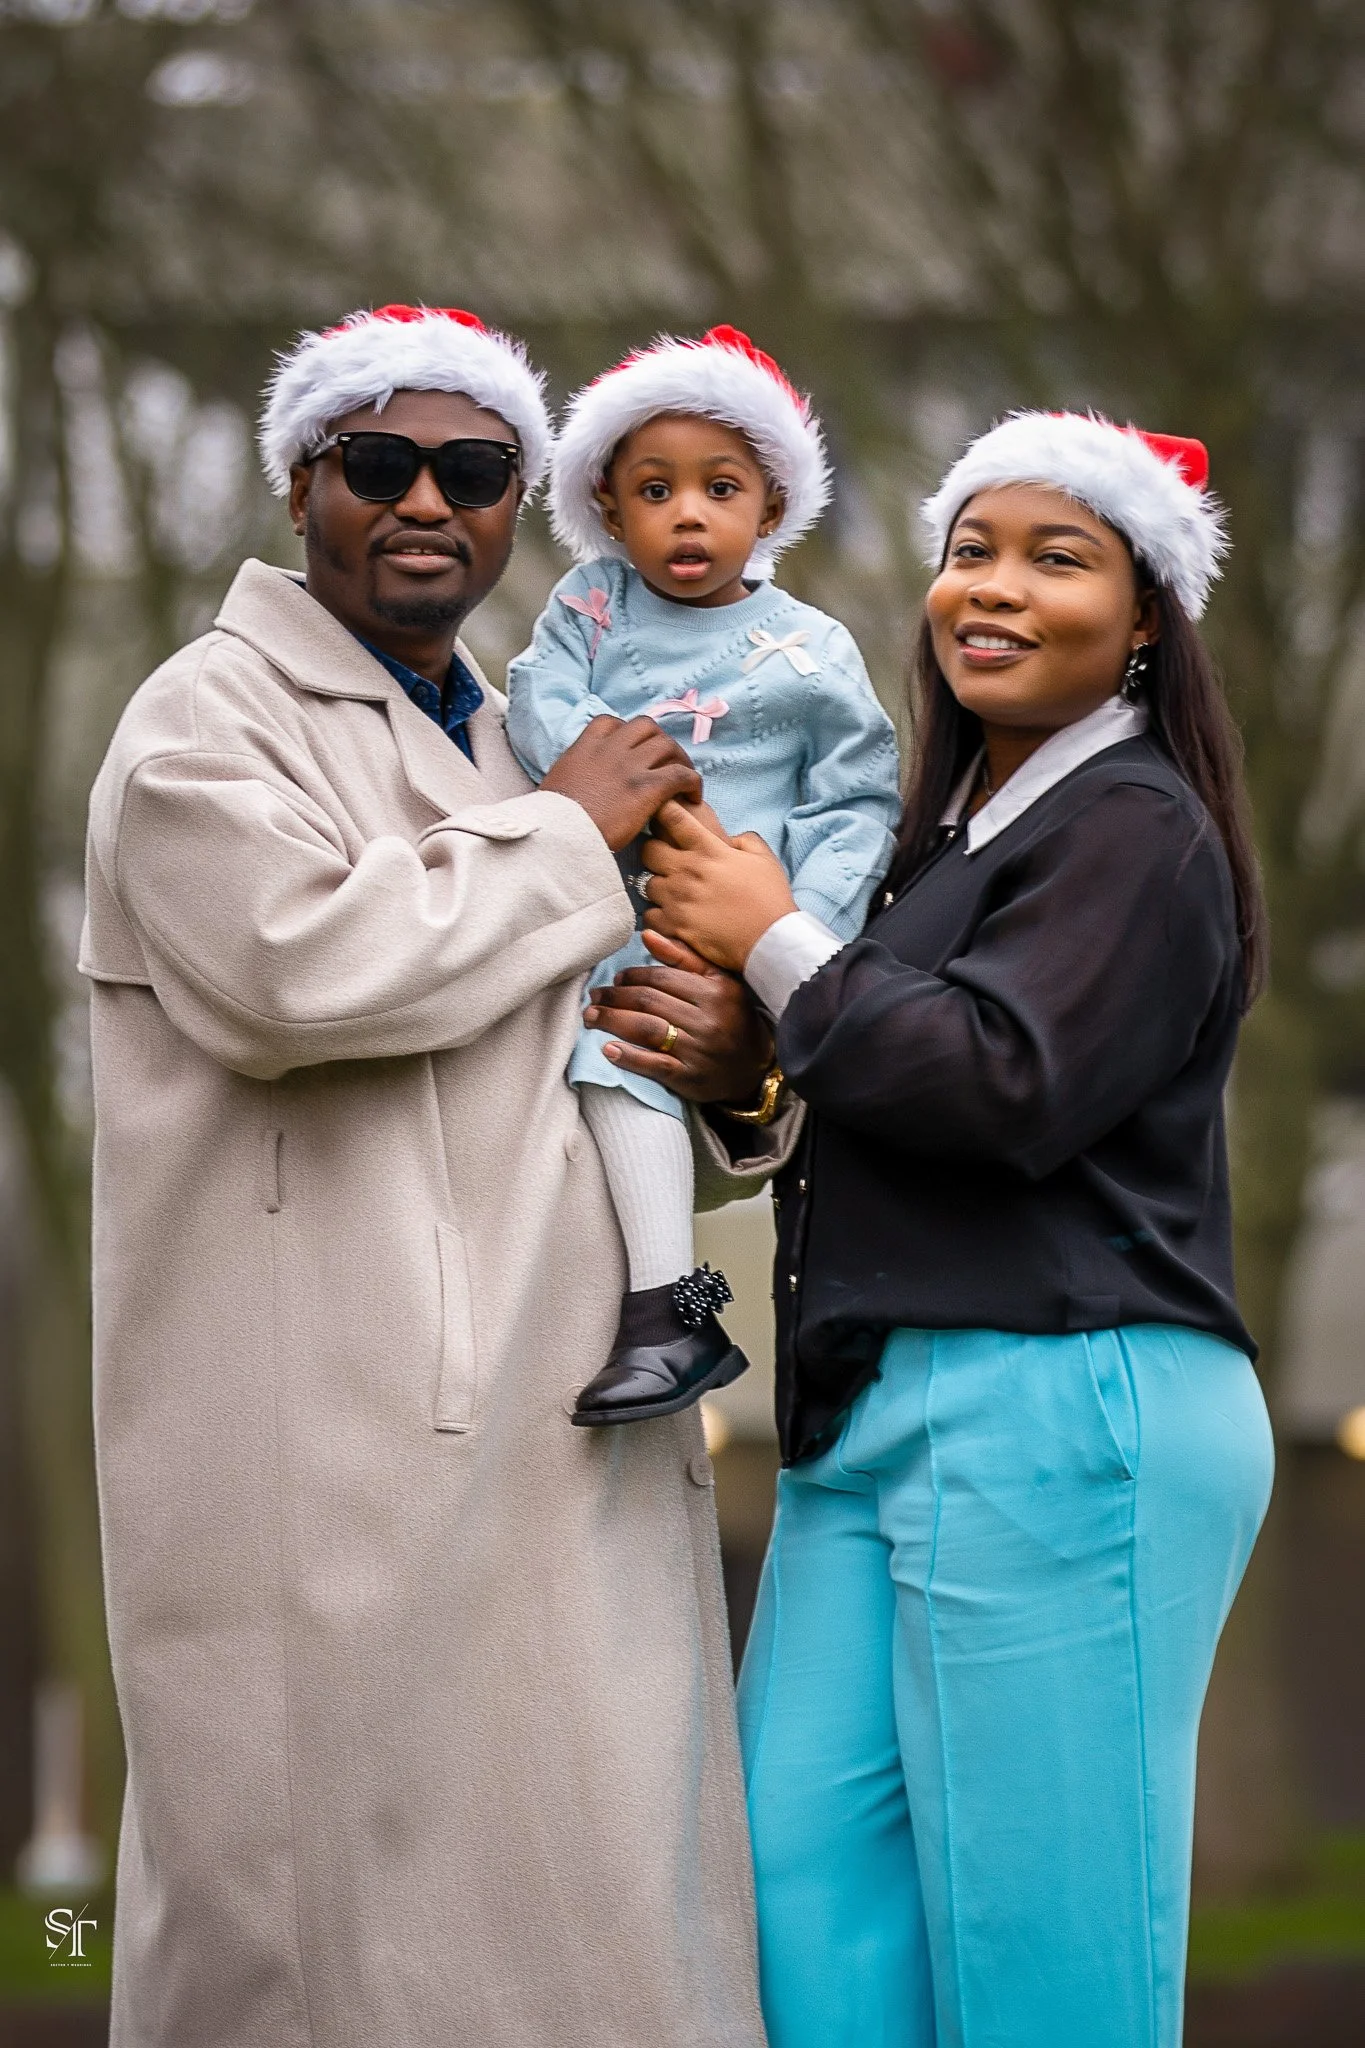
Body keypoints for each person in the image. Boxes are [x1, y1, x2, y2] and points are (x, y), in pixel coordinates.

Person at [81, 303, 791, 2048]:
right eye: (375, 461)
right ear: (300, 481)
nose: (426, 501)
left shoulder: (522, 729)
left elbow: (555, 1072)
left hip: (569, 1440)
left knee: (602, 1943)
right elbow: (290, 974)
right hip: (329, 1467)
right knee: (331, 1955)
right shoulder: (203, 723)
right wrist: (569, 828)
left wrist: (732, 1079)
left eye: (474, 471)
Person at [596, 411, 1276, 2048]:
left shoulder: (1138, 827)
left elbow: (1006, 1079)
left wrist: (772, 944)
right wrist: (761, 1055)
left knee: (1046, 1964)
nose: (993, 588)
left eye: (1059, 557)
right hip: (872, 1414)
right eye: (972, 549)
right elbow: (890, 1068)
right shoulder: (947, 837)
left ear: (1143, 621)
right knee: (794, 1896)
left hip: (1069, 1402)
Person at [506, 326, 900, 1427]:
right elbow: (538, 697)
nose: (688, 513)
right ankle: (673, 1307)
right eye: (654, 489)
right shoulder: (592, 609)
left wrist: (791, 932)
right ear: (609, 509)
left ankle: (675, 1308)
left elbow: (858, 795)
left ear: (769, 511)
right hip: (609, 909)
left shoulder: (812, 645)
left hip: (741, 926)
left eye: (720, 488)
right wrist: (618, 770)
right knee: (611, 1064)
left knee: (667, 1085)